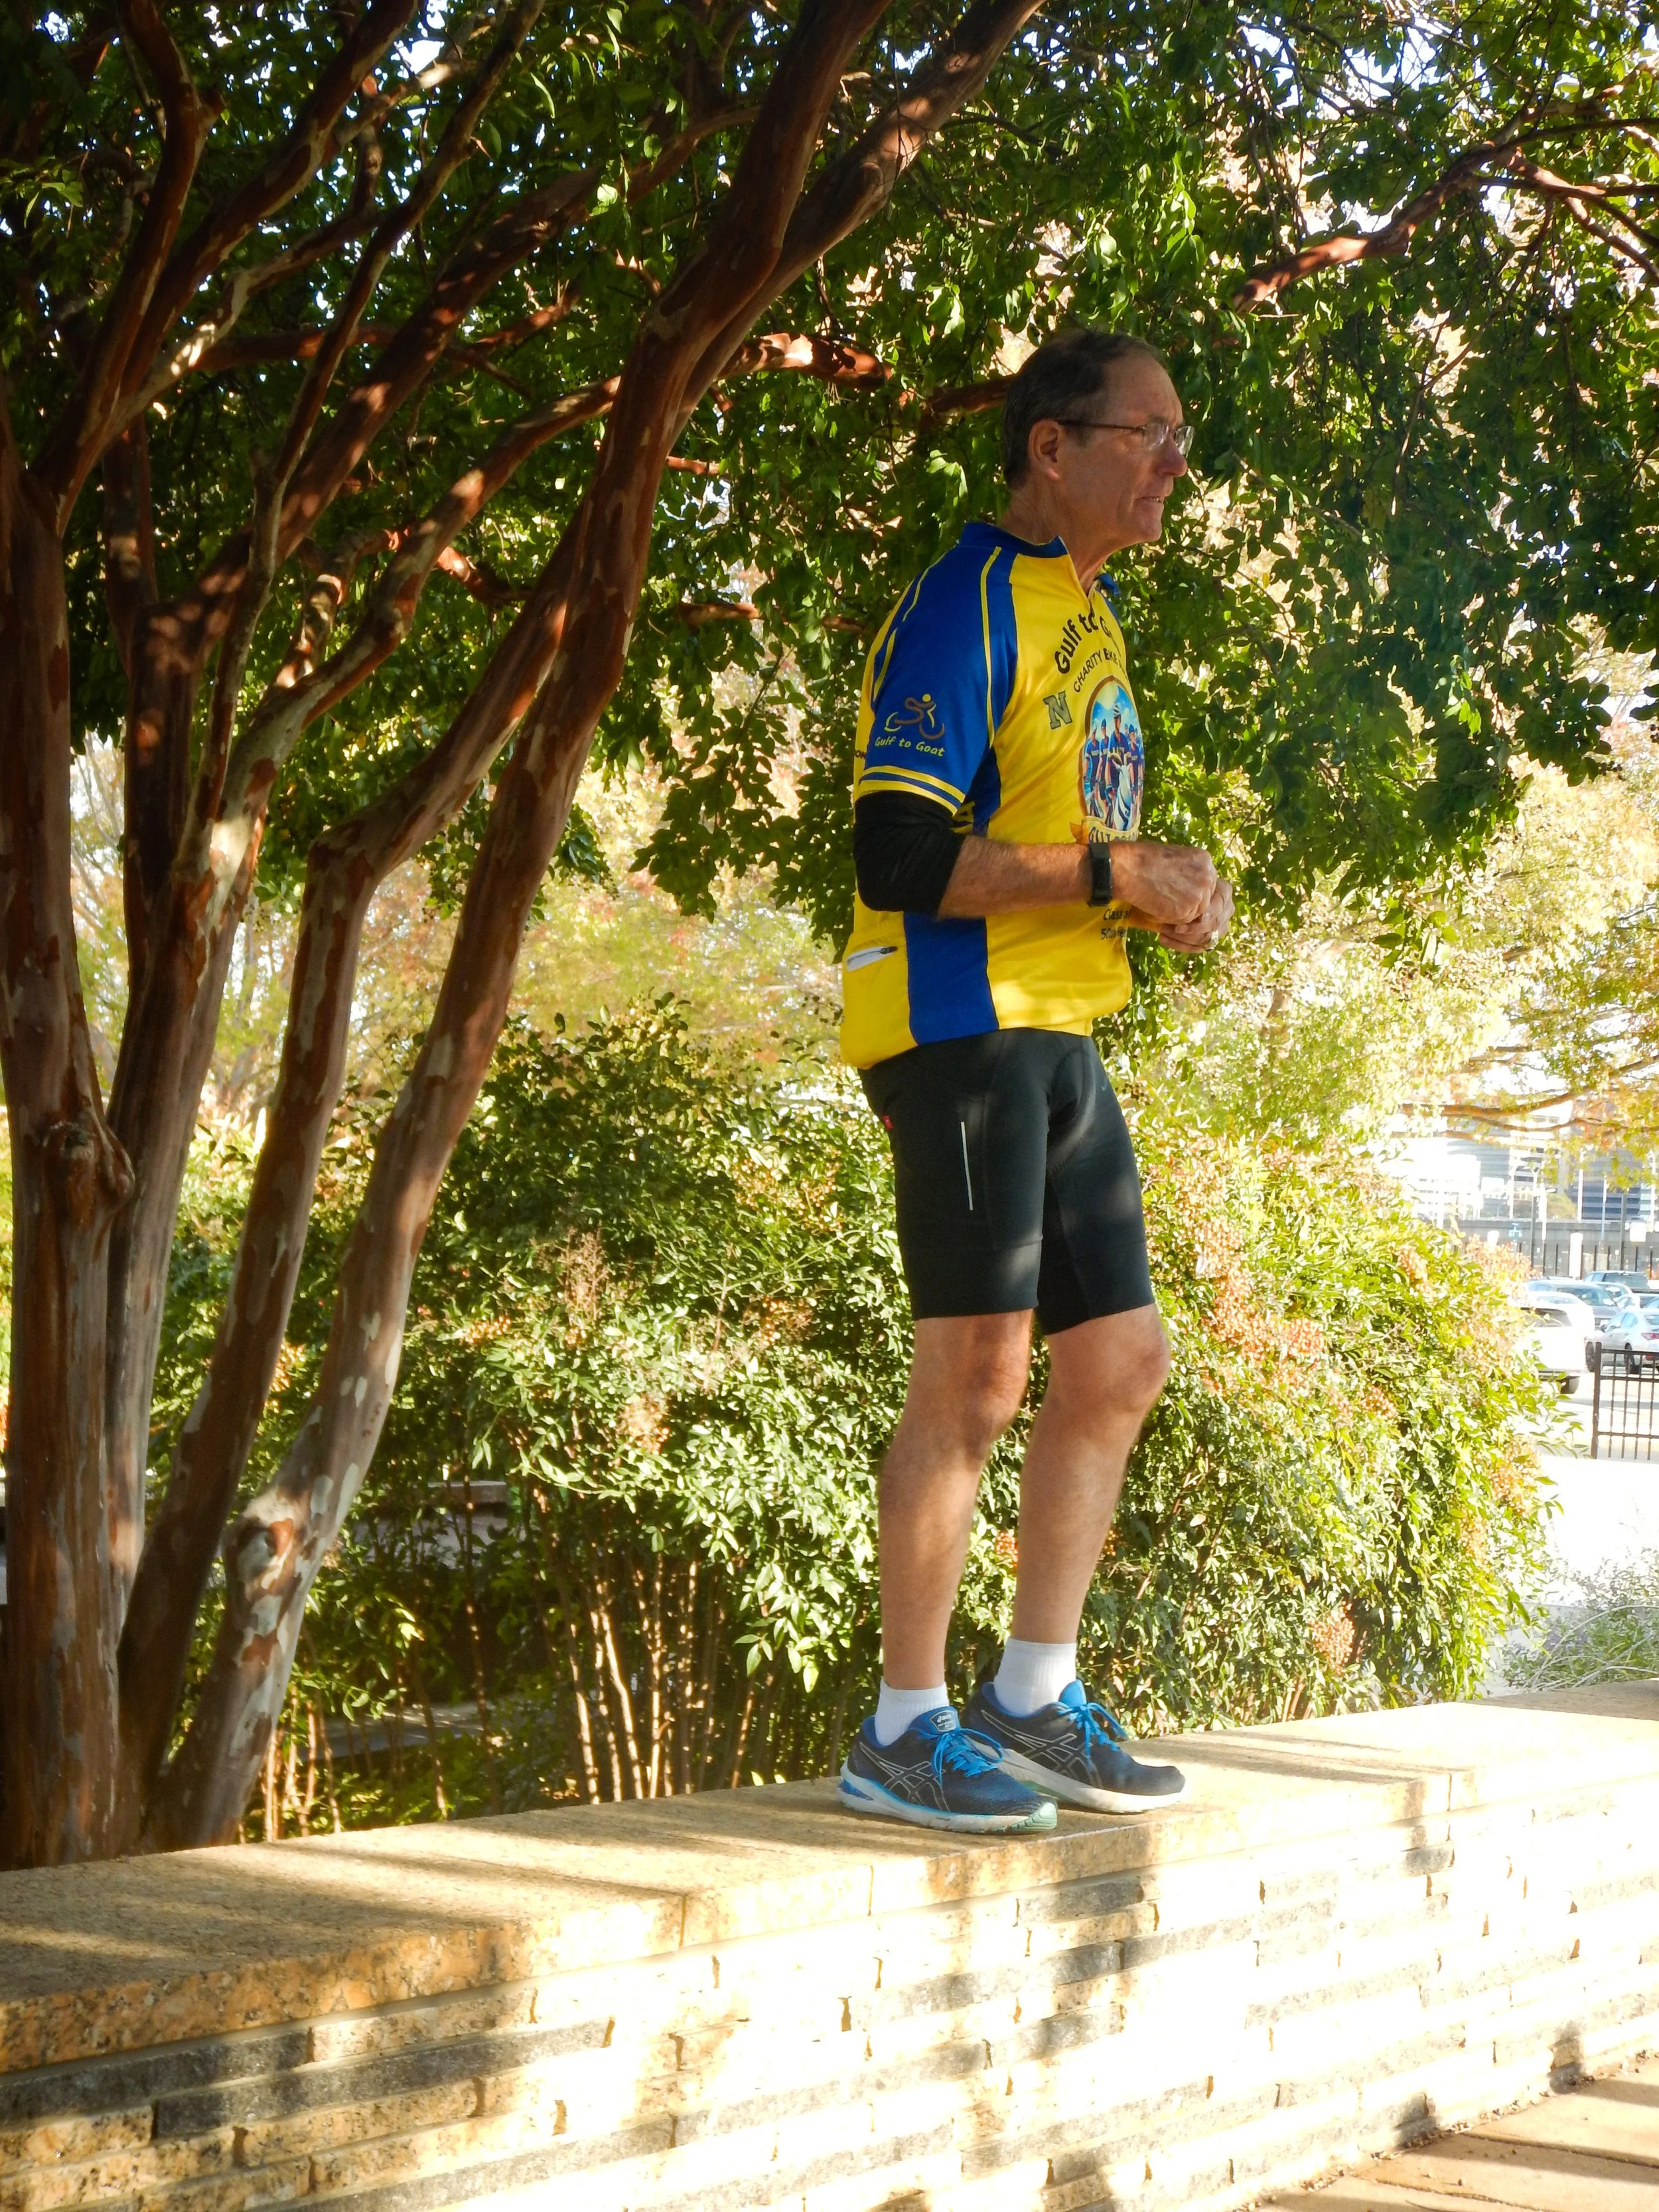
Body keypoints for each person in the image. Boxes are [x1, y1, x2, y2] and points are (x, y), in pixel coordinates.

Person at [835, 328, 1235, 1835]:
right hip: (956, 1026)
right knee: (978, 1376)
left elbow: (1082, 836)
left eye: (1178, 436)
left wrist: (1155, 884)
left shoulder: (1091, 610)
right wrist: (1101, 867)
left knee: (1117, 1363)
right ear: (1050, 447)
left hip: (1057, 1026)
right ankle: (901, 1722)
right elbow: (897, 850)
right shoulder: (964, 603)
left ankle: (1027, 1692)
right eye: (1147, 433)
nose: (1171, 465)